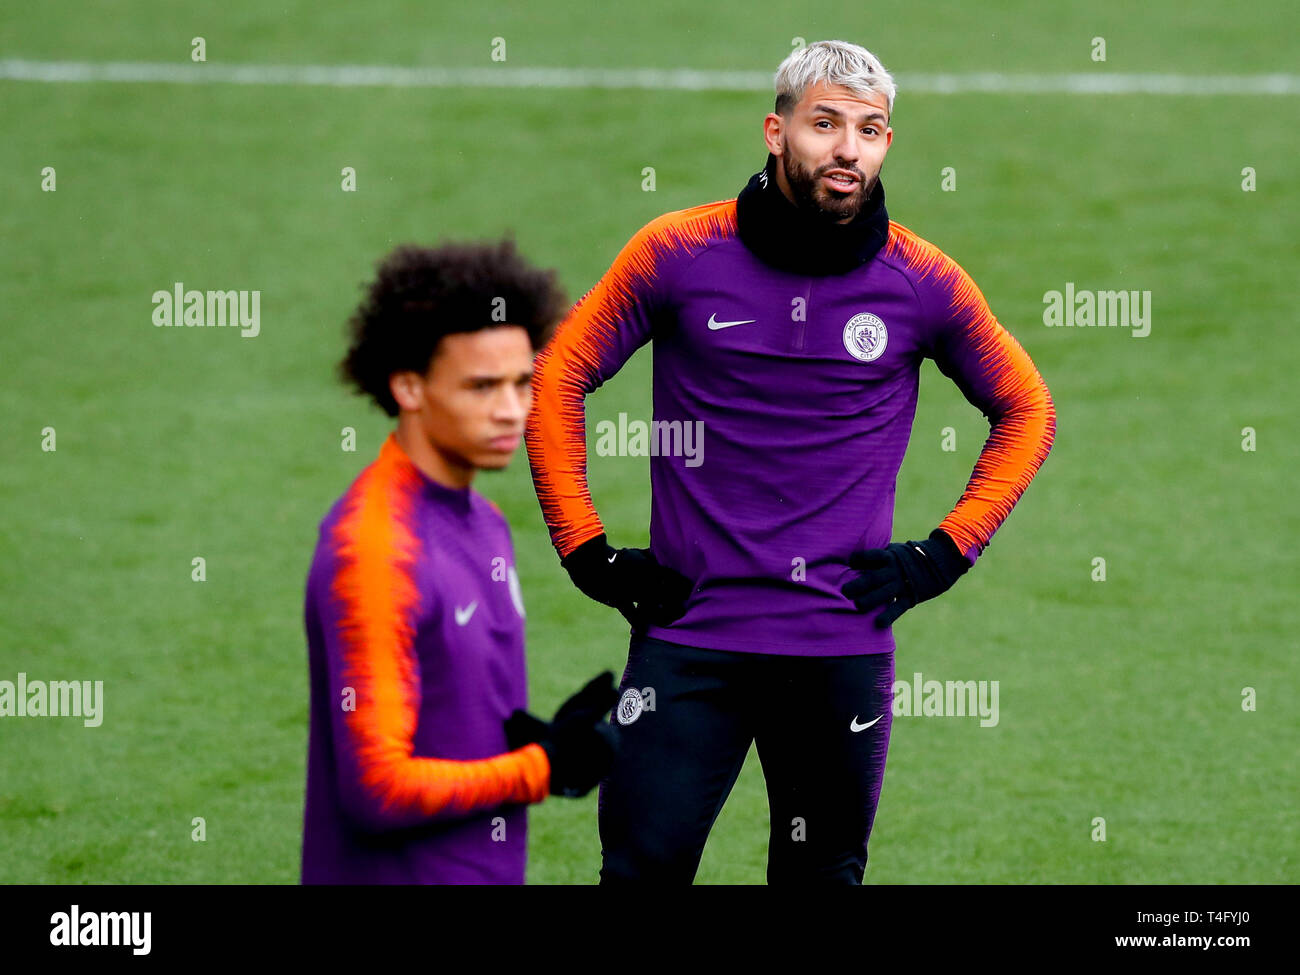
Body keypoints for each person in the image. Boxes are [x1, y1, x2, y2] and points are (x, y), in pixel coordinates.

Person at [526, 40, 1056, 884]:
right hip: (688, 636)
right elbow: (558, 375)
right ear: (776, 132)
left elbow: (1027, 409)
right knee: (639, 871)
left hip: (836, 646)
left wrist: (943, 553)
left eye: (872, 129)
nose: (850, 148)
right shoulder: (677, 251)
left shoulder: (922, 282)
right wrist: (587, 551)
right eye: (827, 124)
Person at [301, 239, 617, 885]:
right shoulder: (377, 550)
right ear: (408, 386)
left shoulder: (484, 523)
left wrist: (541, 738)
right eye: (481, 386)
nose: (511, 409)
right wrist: (541, 766)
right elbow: (377, 788)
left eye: (522, 381)